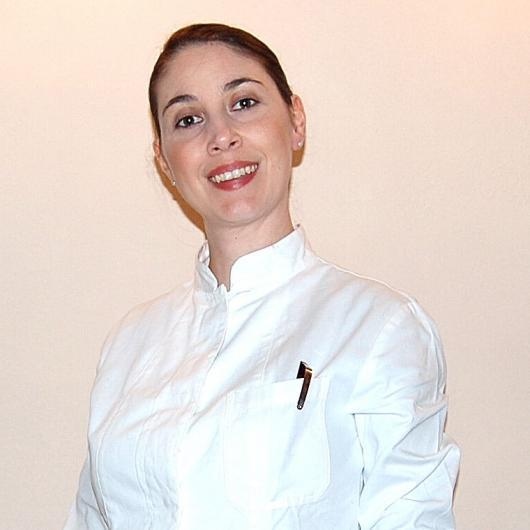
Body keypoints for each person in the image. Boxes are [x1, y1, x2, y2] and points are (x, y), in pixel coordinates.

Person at [64, 23, 459, 530]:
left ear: (295, 121)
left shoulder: (380, 327)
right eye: (188, 119)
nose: (220, 136)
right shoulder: (129, 344)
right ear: (164, 159)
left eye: (244, 103)